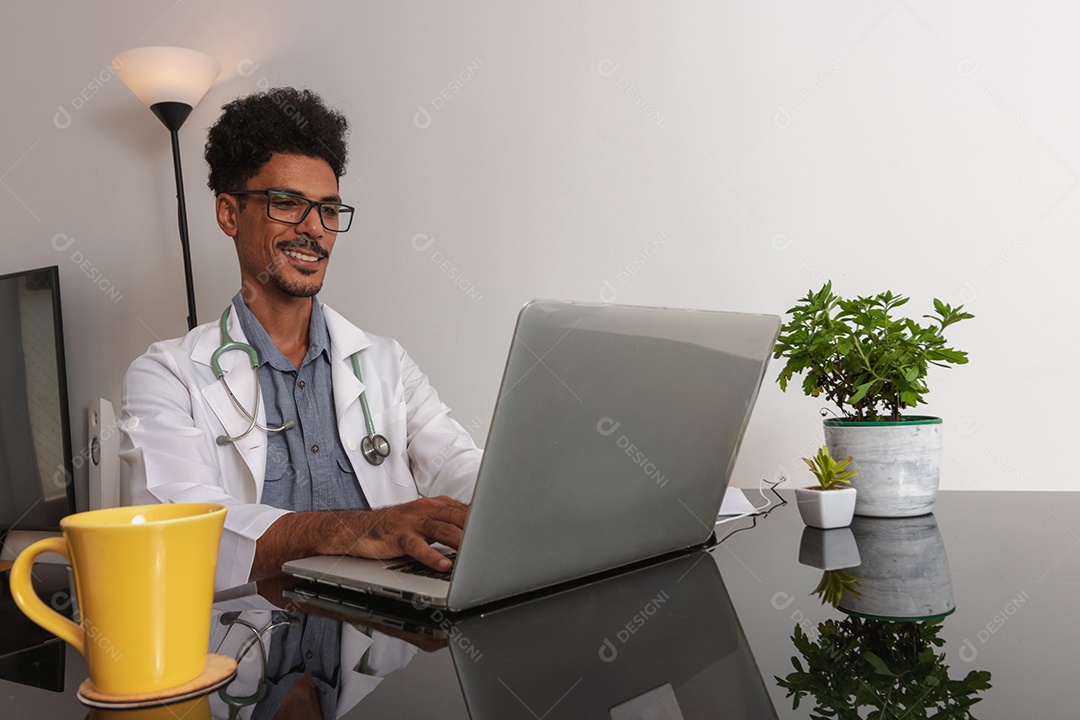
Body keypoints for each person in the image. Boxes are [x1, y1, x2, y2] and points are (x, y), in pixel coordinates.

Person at [120, 87, 481, 591]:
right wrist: (362, 529)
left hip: (377, 637)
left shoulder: (385, 364)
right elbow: (179, 531)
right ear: (229, 213)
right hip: (244, 642)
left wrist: (512, 500)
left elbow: (459, 467)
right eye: (287, 203)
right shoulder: (168, 375)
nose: (315, 229)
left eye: (329, 210)